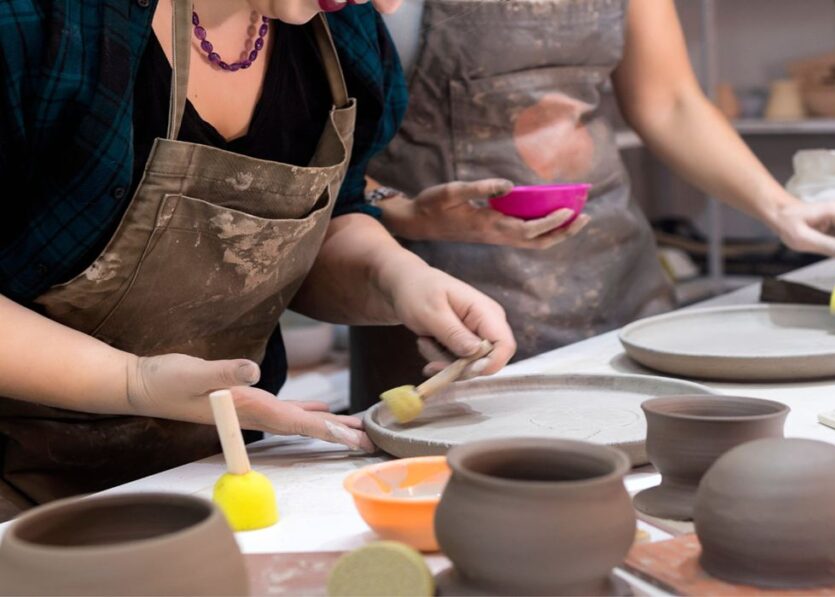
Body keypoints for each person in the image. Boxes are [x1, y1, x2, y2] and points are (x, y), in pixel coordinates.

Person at [0, 0, 515, 519]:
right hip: (21, 493)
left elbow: (324, 220)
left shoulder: (340, 26)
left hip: (216, 473)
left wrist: (395, 276)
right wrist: (134, 381)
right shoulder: (43, 24)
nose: (388, 3)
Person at [348, 0, 835, 410]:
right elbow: (316, 146)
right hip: (444, 295)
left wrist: (780, 208)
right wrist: (401, 209)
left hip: (614, 274)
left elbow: (670, 102)